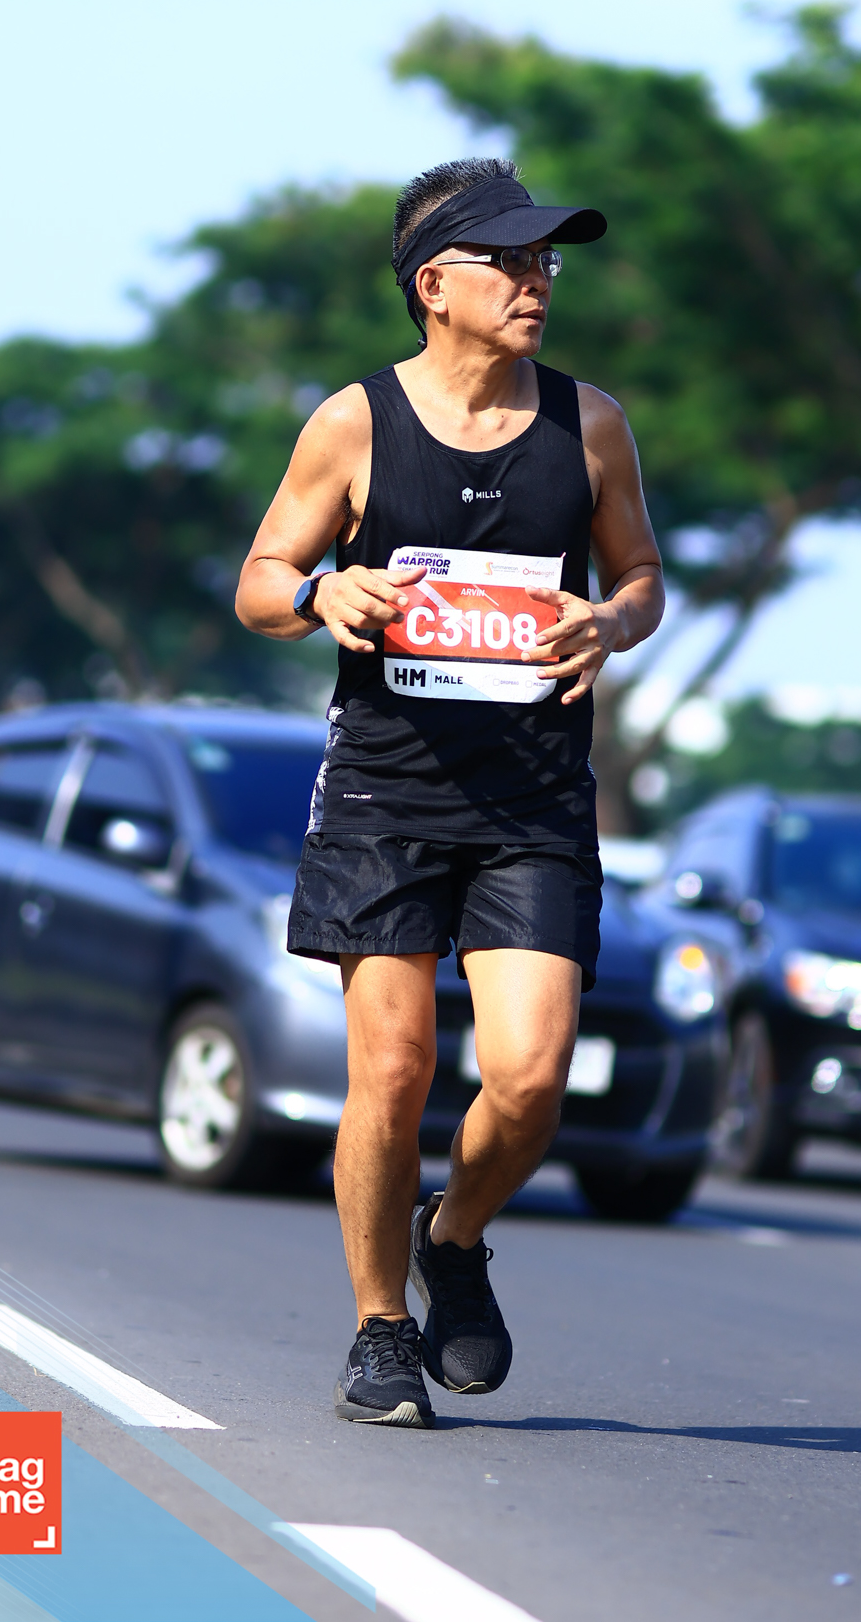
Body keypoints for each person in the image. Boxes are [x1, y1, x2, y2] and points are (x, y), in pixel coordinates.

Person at [236, 158, 664, 1428]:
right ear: (434, 285)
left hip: (533, 801)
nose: (538, 282)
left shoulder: (588, 423)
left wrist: (611, 621)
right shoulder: (354, 423)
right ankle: (378, 1328)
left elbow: (641, 576)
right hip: (385, 793)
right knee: (394, 1065)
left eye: (547, 262)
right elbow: (259, 579)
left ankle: (453, 1234)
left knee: (529, 1079)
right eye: (511, 261)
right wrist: (320, 591)